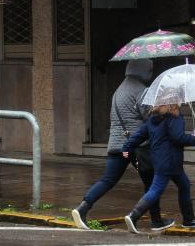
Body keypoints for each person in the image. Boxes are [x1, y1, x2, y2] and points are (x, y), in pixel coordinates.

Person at [72, 59, 174, 231]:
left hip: (117, 146)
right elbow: (150, 119)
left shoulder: (118, 91)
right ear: (143, 71)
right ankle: (154, 220)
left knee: (108, 179)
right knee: (151, 182)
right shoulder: (141, 91)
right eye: (150, 70)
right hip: (135, 147)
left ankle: (83, 207)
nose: (150, 74)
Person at [122, 103, 195, 234]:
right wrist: (194, 139)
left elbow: (138, 136)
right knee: (156, 189)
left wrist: (126, 149)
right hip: (170, 161)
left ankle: (189, 219)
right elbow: (177, 137)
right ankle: (133, 216)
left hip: (160, 161)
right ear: (173, 102)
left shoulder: (153, 118)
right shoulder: (175, 117)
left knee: (184, 185)